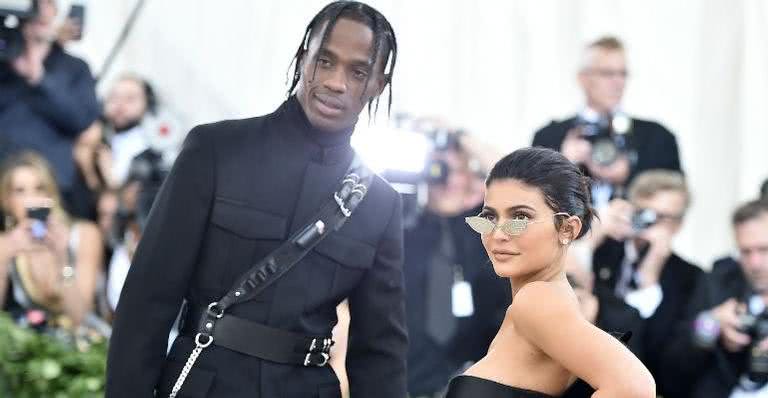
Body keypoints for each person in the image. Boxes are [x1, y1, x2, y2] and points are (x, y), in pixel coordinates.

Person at [106, 2, 406, 397]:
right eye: (325, 61)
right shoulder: (215, 149)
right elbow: (148, 300)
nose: (336, 82)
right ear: (303, 59)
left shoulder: (379, 203)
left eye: (358, 72)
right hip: (204, 382)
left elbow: (380, 355)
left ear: (377, 86)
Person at [445, 147, 655, 397]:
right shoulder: (552, 301)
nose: (498, 234)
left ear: (567, 229)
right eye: (489, 217)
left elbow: (635, 387)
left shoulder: (537, 301)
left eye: (520, 218)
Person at [404, 140, 510, 398]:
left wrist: (461, 135)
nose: (449, 178)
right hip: (405, 379)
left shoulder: (486, 230)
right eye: (440, 167)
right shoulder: (399, 223)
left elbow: (516, 181)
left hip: (474, 380)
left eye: (459, 169)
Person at [532, 36, 681, 209]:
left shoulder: (657, 137)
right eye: (607, 74)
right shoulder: (549, 137)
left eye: (623, 74)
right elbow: (530, 203)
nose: (618, 83)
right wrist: (562, 164)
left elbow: (676, 198)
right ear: (583, 79)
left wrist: (631, 173)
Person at [660, 200, 768, 398]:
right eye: (745, 252)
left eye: (764, 249)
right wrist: (709, 325)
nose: (755, 263)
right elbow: (671, 370)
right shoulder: (719, 282)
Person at [0, 0, 100, 213]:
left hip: (55, 185)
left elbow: (82, 119)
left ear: (55, 11)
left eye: (46, 3)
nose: (38, 11)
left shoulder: (75, 68)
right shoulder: (4, 65)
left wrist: (39, 78)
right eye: (33, 4)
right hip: (4, 182)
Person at [0, 151, 103, 331]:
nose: (32, 199)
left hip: (84, 343)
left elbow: (81, 317)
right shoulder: (6, 243)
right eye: (20, 191)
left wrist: (62, 258)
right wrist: (3, 257)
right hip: (33, 346)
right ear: (6, 201)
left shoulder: (83, 234)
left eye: (40, 188)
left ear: (52, 195)